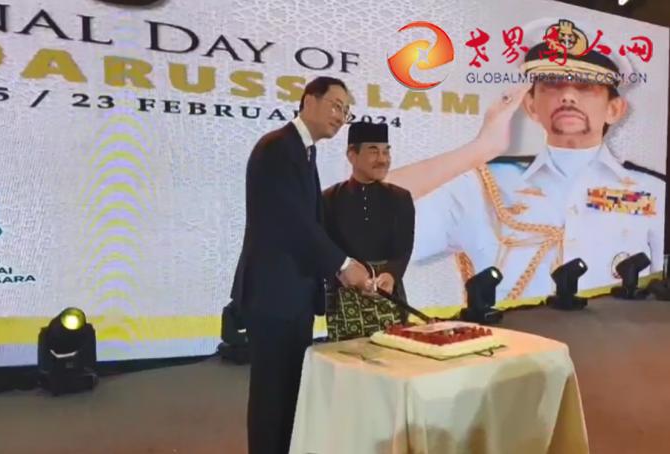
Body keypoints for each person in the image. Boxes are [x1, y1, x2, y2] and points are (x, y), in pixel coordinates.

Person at [386, 18, 665, 302]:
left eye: (585, 86)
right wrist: (480, 149)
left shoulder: (653, 191)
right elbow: (374, 223)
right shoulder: (482, 185)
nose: (568, 96)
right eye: (553, 84)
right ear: (531, 105)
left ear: (614, 109)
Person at [229, 76, 371, 454]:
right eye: (336, 105)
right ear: (309, 100)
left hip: (293, 294)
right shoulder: (278, 148)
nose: (341, 117)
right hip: (273, 295)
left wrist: (343, 264)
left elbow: (310, 224)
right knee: (272, 395)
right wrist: (343, 264)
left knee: (290, 389)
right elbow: (293, 222)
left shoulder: (304, 151)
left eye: (346, 111)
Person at [322, 122, 415, 340]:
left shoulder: (401, 198)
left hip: (388, 294)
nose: (382, 159)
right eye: (373, 151)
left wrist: (390, 275)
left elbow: (404, 248)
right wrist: (344, 273)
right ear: (352, 155)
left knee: (394, 354)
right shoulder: (329, 199)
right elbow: (324, 249)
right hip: (345, 299)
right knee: (346, 358)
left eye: (386, 151)